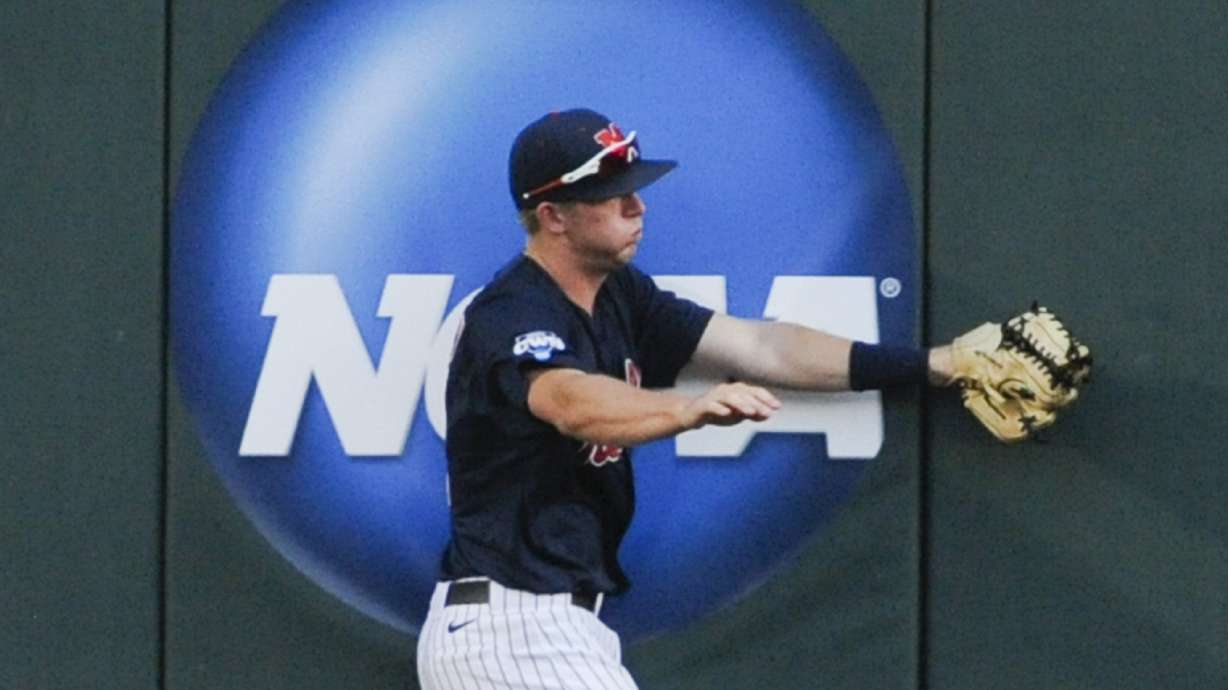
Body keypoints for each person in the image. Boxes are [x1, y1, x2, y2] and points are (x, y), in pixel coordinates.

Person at [416, 108, 955, 690]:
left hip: (553, 629)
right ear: (553, 216)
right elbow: (568, 401)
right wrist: (683, 408)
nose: (637, 206)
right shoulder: (513, 311)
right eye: (613, 195)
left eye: (635, 190)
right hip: (511, 629)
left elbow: (761, 346)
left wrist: (930, 365)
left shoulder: (622, 294)